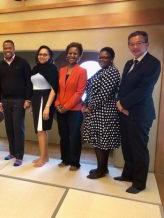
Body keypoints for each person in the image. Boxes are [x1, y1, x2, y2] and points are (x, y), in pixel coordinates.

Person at [115, 31, 161, 194]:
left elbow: (144, 89)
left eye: (138, 43)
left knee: (138, 148)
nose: (134, 46)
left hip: (140, 114)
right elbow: (124, 86)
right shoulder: (129, 63)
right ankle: (128, 174)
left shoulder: (153, 63)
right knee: (127, 146)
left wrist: (123, 104)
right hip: (124, 112)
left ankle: (139, 183)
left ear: (146, 44)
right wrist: (119, 103)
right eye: (131, 44)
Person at [82, 47, 121, 179]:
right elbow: (90, 89)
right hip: (96, 112)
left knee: (103, 142)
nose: (102, 59)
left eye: (106, 57)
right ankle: (101, 168)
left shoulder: (112, 72)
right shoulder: (101, 71)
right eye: (100, 57)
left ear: (112, 59)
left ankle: (102, 170)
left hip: (105, 113)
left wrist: (90, 107)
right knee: (97, 141)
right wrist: (85, 104)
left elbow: (104, 94)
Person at [0, 40, 32, 167]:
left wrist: (28, 99)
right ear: (3, 49)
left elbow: (29, 82)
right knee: (9, 127)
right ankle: (12, 152)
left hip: (19, 100)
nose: (7, 50)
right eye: (5, 48)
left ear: (14, 48)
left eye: (10, 48)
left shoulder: (23, 63)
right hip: (5, 100)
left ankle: (19, 156)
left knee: (18, 128)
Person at [55, 42, 87, 171]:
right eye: (70, 53)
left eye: (75, 53)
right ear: (66, 55)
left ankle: (75, 162)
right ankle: (65, 159)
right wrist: (57, 104)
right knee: (63, 135)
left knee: (74, 136)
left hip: (75, 110)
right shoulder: (62, 70)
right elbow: (57, 89)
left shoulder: (82, 71)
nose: (72, 55)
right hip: (60, 108)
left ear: (79, 56)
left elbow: (80, 92)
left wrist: (66, 107)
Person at [30, 45, 58, 167]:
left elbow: (54, 89)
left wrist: (47, 106)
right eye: (40, 54)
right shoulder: (35, 68)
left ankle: (42, 158)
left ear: (50, 56)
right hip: (36, 100)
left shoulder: (52, 68)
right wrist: (32, 103)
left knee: (41, 131)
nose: (42, 56)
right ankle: (45, 156)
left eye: (45, 54)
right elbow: (33, 87)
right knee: (40, 131)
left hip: (45, 99)